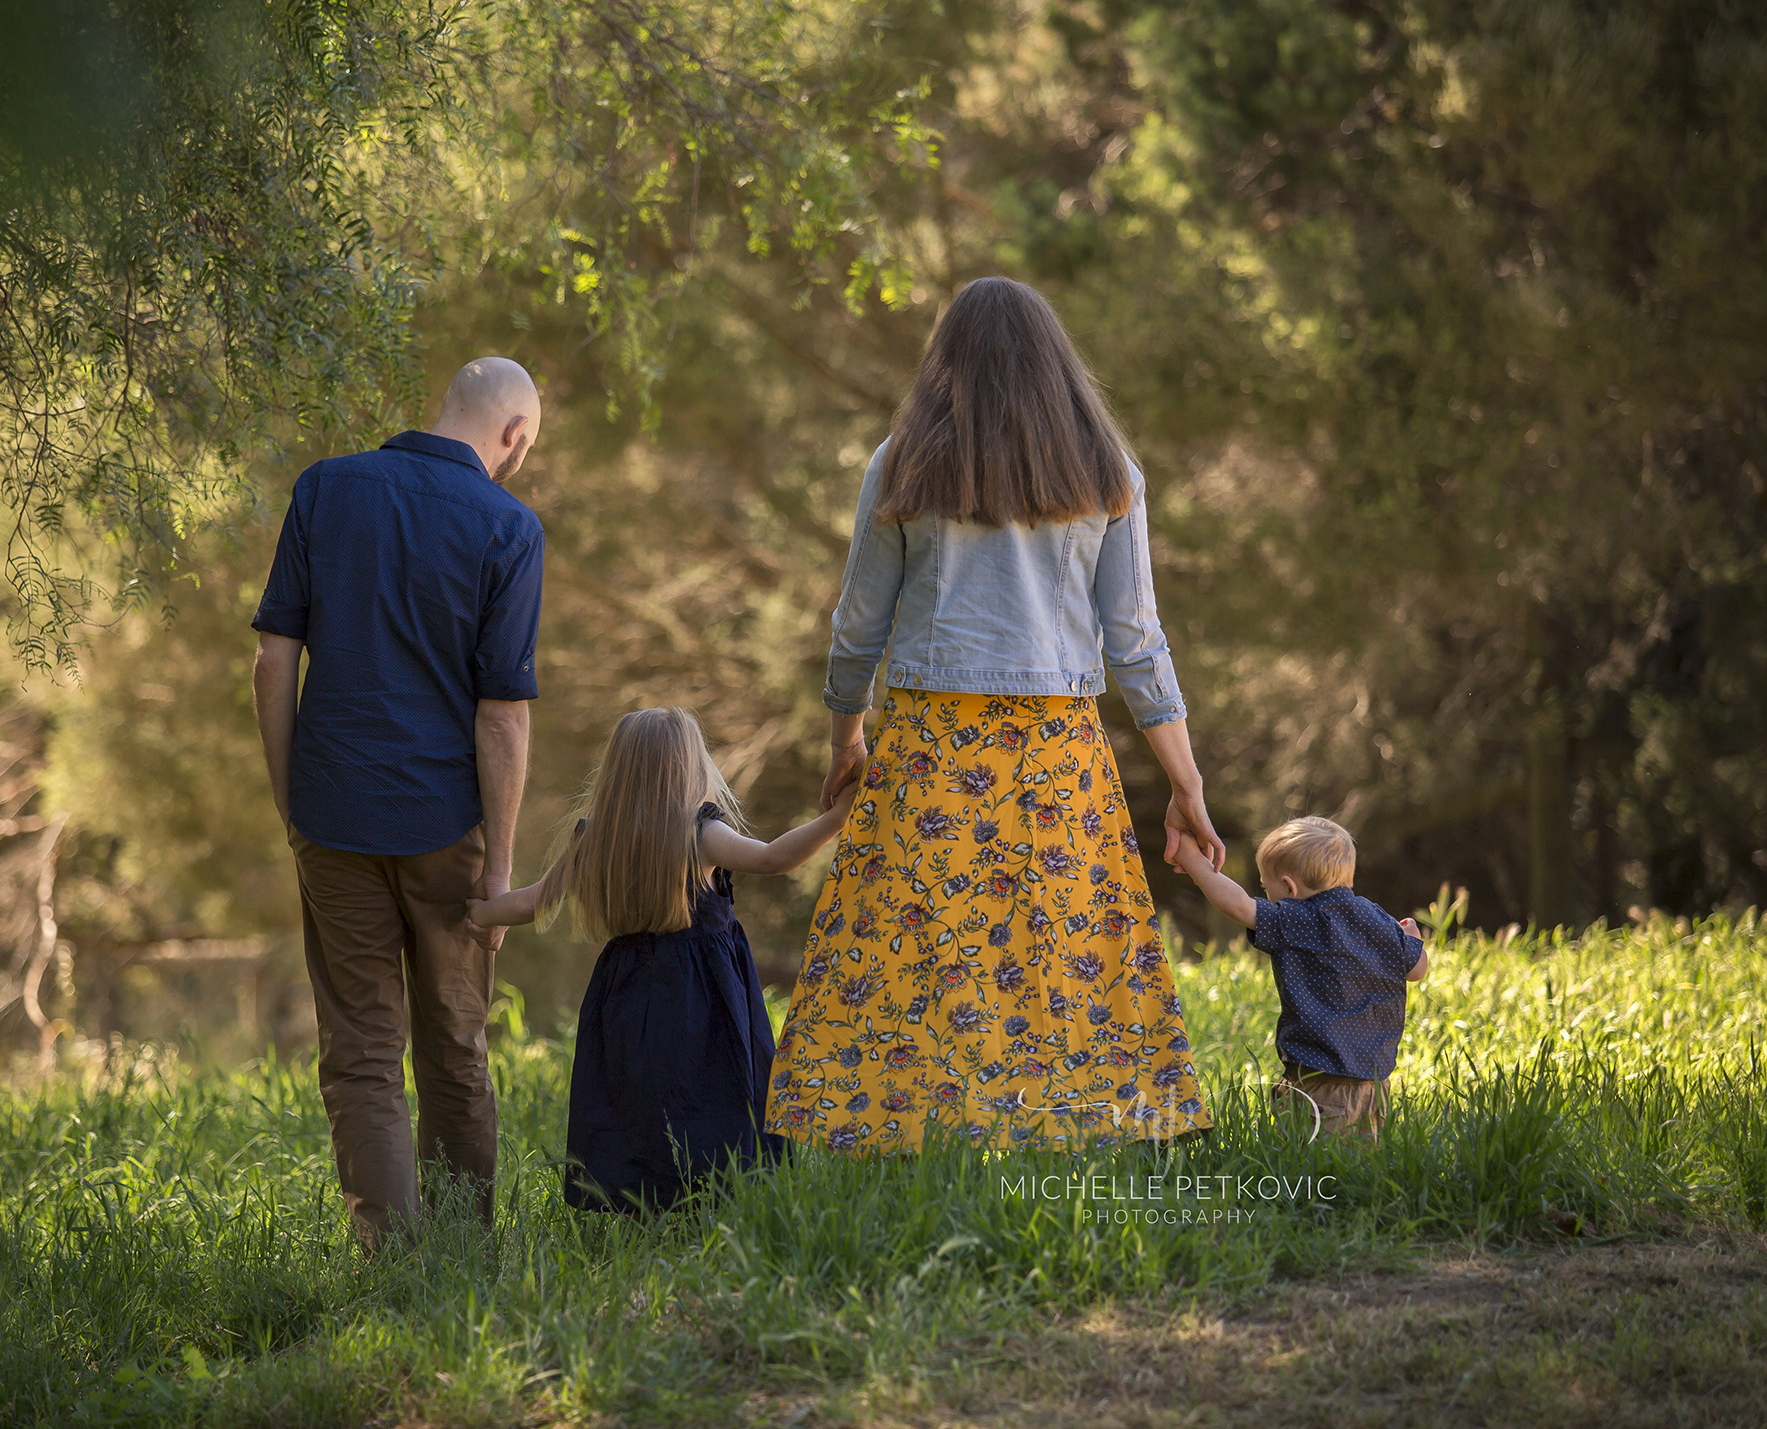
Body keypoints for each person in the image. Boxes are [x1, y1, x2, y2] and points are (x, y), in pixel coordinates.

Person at [767, 276, 1223, 1153]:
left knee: (918, 944)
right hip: (1057, 753)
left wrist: (846, 734)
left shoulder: (902, 461)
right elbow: (1136, 640)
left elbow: (858, 623)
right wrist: (1185, 781)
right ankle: (1082, 1124)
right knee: (1057, 943)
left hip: (933, 747)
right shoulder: (1107, 471)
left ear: (947, 364)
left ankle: (899, 1130)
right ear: (1058, 364)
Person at [250, 356, 544, 1244]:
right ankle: (460, 1252)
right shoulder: (508, 527)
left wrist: (290, 797)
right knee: (455, 1046)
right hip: (446, 826)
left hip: (332, 813)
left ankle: (393, 1264)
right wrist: (497, 868)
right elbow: (502, 717)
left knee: (363, 1056)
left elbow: (272, 659)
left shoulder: (326, 489)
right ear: (514, 435)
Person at [465, 707, 850, 1211]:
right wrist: (838, 818)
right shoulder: (700, 833)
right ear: (689, 767)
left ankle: (646, 1202)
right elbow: (773, 857)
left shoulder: (598, 837)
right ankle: (722, 1199)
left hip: (628, 991)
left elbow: (534, 900)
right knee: (718, 1092)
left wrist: (477, 913)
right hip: (707, 992)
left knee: (642, 1099)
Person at [1173, 815, 1429, 1137]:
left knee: (1307, 1175)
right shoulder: (1375, 916)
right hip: (1373, 1088)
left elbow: (1237, 905)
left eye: (1268, 889)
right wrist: (1414, 941)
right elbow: (1417, 969)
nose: (1267, 898)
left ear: (1290, 888)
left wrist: (1191, 859)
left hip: (1316, 1087)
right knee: (1358, 1174)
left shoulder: (1301, 918)